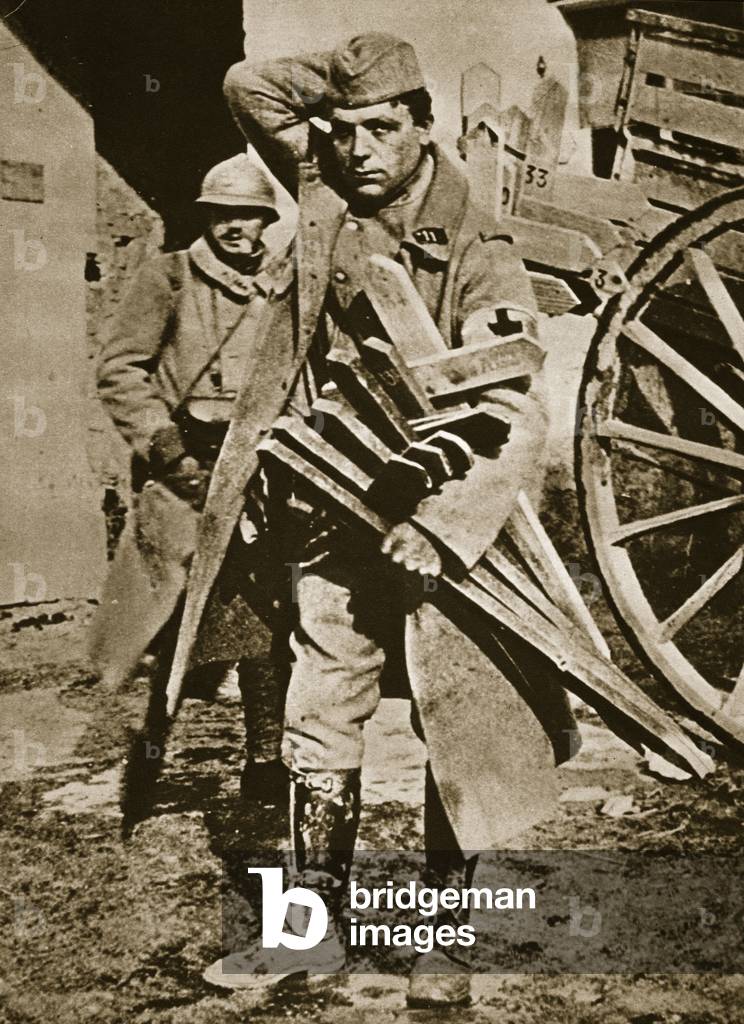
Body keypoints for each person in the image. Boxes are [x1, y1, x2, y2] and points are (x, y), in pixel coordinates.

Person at [194, 34, 577, 1004]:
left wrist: (446, 524)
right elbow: (250, 84)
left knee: (458, 727)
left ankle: (442, 947)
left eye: (381, 128)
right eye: (344, 130)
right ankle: (306, 933)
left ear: (423, 127)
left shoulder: (480, 248)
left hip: (443, 524)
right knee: (317, 717)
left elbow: (514, 405)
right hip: (331, 508)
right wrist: (359, 79)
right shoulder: (326, 191)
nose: (358, 149)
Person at [94, 154, 293, 803]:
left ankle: (265, 758)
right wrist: (171, 454)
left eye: (251, 215)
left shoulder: (281, 284)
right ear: (208, 218)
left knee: (265, 615)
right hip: (185, 465)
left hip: (258, 468)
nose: (240, 228)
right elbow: (121, 370)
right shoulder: (168, 277)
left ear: (266, 219)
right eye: (226, 216)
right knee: (169, 615)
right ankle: (152, 750)